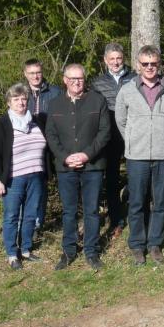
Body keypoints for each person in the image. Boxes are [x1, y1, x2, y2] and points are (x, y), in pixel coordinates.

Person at [115, 45, 164, 266]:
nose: (150, 67)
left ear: (159, 64)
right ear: (138, 65)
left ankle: (154, 244)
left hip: (163, 155)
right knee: (136, 201)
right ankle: (137, 245)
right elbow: (121, 120)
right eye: (145, 64)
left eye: (153, 63)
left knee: (160, 201)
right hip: (137, 155)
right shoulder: (127, 90)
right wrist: (134, 139)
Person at [45, 64, 111, 271]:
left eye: (80, 78)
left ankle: (92, 251)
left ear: (85, 79)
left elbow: (104, 132)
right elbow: (51, 135)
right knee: (69, 211)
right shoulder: (55, 104)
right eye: (72, 78)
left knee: (91, 210)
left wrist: (86, 154)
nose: (76, 82)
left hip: (92, 165)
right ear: (64, 80)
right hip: (66, 167)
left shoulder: (97, 100)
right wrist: (65, 157)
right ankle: (69, 251)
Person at [0, 83, 47, 270]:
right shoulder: (4, 124)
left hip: (36, 176)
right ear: (9, 102)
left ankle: (26, 249)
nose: (21, 102)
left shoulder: (35, 121)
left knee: (31, 215)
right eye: (16, 99)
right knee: (12, 216)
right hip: (14, 179)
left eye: (23, 99)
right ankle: (12, 254)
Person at [90, 43, 137, 240]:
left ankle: (136, 215)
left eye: (119, 58)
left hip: (133, 133)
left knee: (136, 176)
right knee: (111, 178)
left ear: (123, 58)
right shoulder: (97, 83)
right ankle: (116, 218)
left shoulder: (135, 78)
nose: (116, 62)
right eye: (112, 59)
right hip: (109, 136)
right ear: (105, 60)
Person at [22, 59, 61, 237]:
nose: (35, 76)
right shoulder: (20, 92)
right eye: (31, 73)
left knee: (42, 185)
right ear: (25, 74)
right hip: (27, 147)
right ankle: (25, 224)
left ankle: (38, 224)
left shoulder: (55, 92)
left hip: (50, 146)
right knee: (27, 185)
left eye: (38, 72)